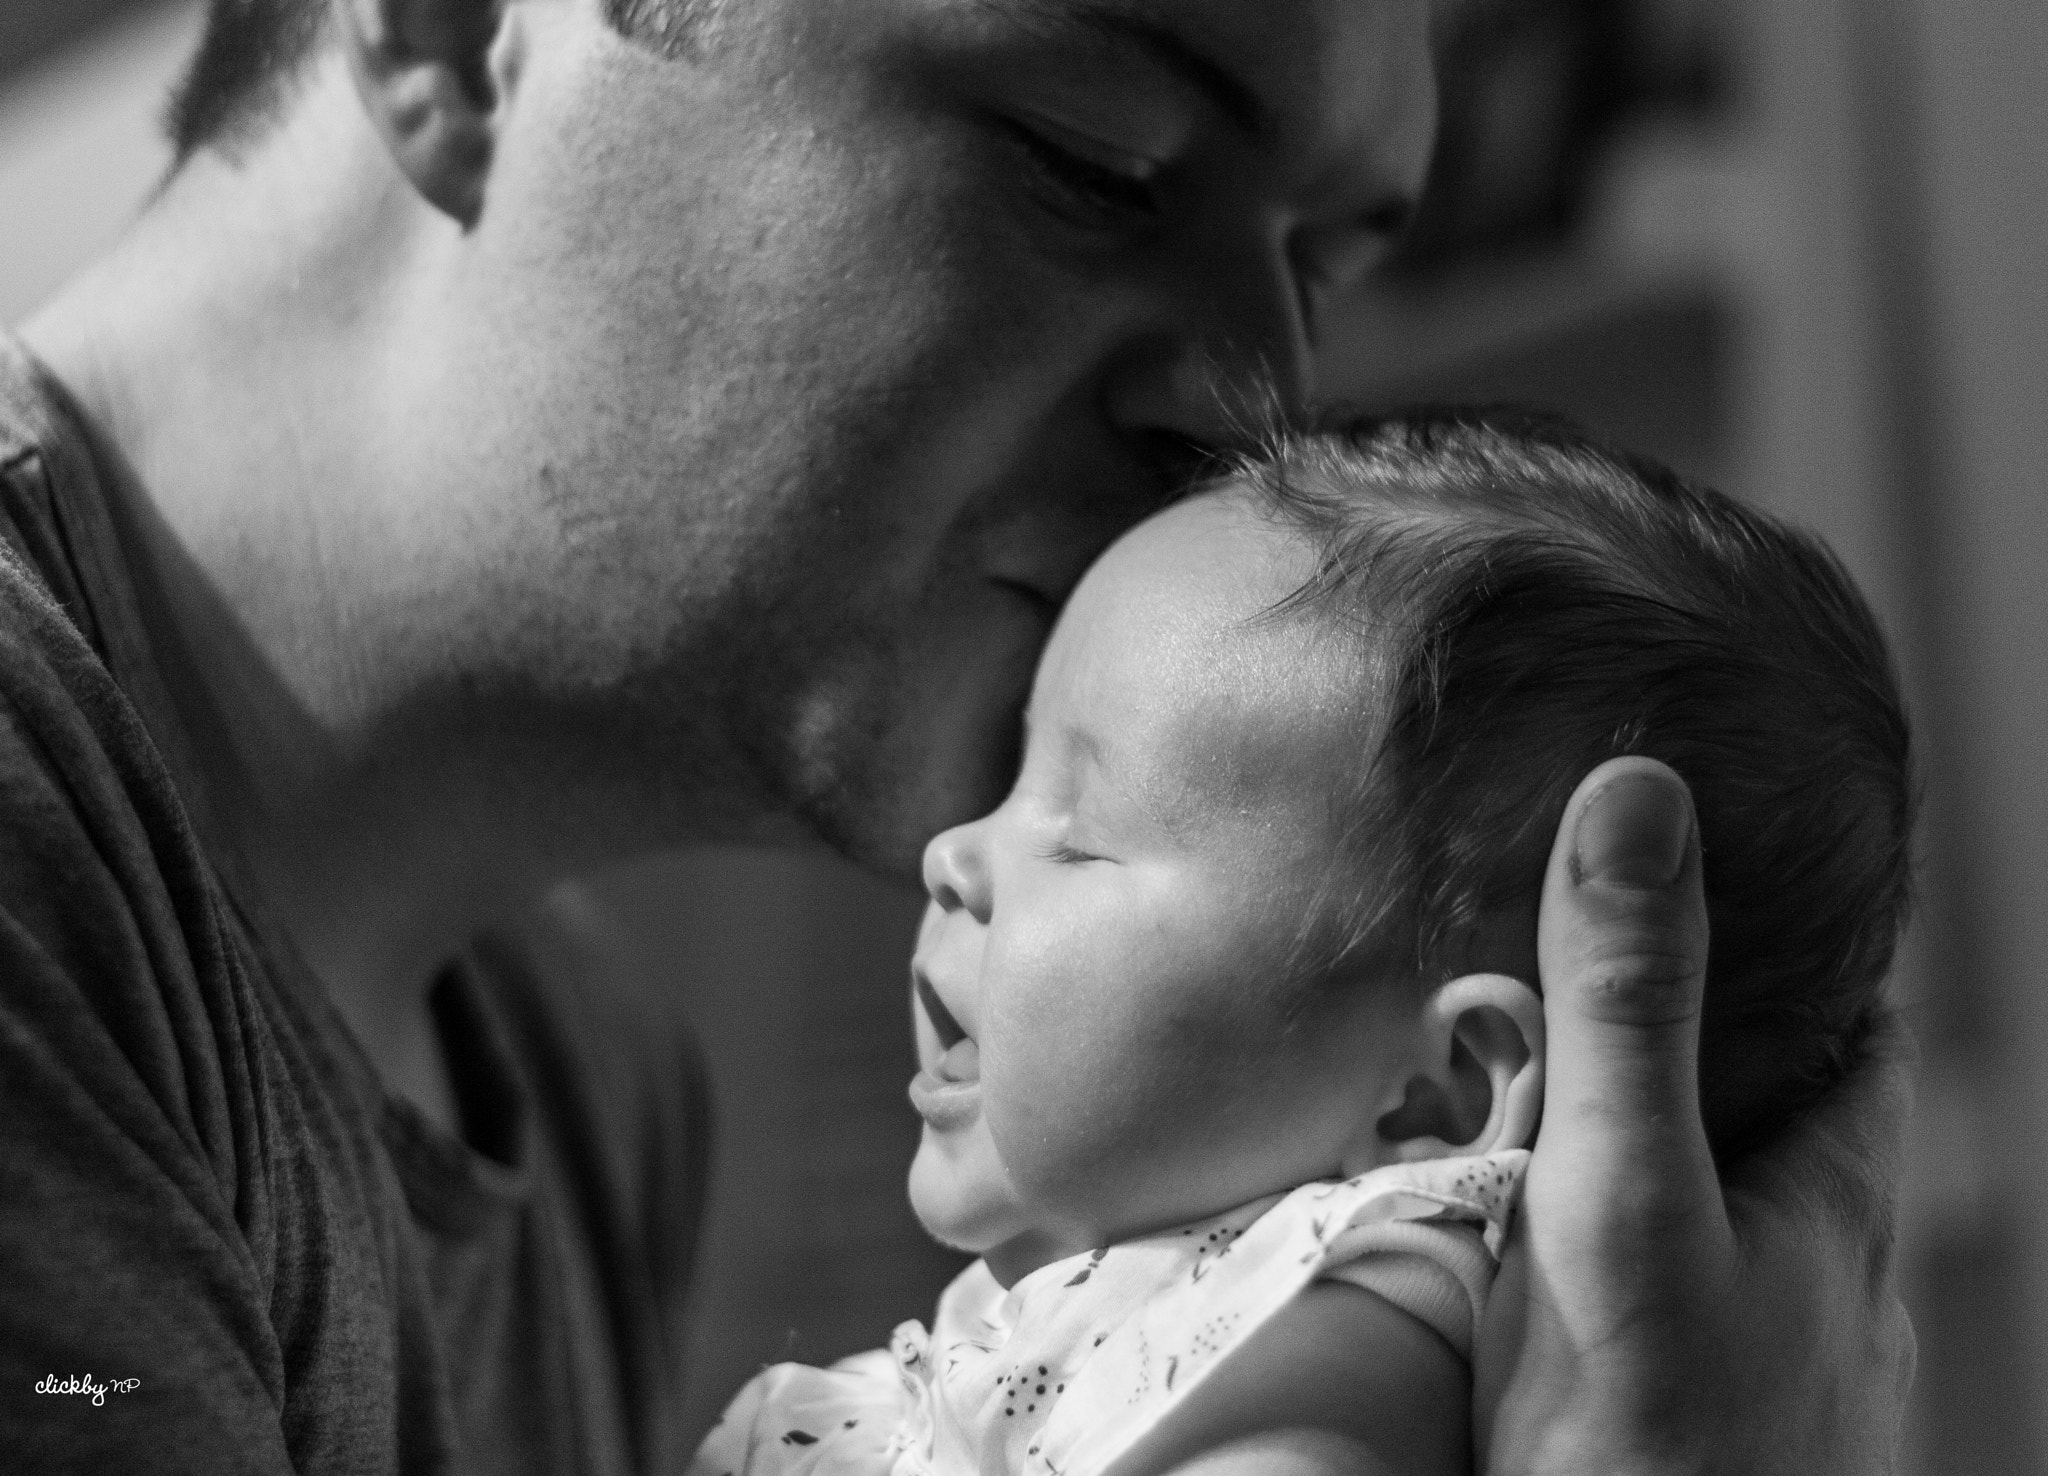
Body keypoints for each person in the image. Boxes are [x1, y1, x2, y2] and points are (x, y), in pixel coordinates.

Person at [0, 0, 1911, 1470]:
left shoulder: (587, 1089)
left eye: (1320, 266)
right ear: (455, 36)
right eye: (1093, 154)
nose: (1263, 396)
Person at [680, 410, 1915, 1476]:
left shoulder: (1334, 1365)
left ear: (1434, 1093)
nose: (955, 853)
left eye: (1080, 832)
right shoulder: (1193, 1315)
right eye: (1013, 776)